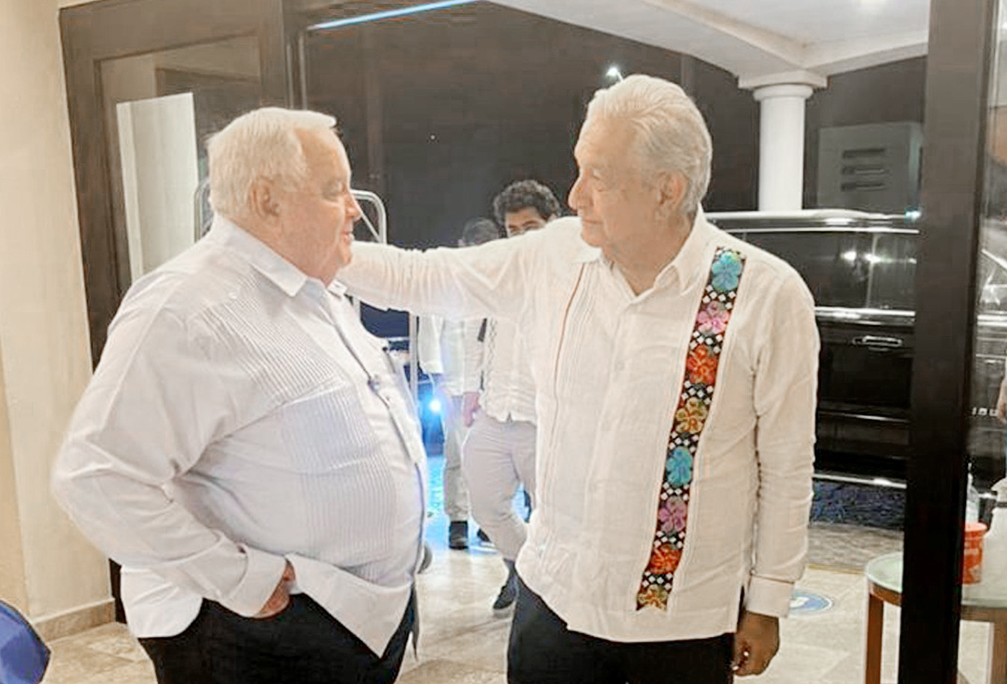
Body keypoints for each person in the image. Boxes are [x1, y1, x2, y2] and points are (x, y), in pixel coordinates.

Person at [339, 74, 818, 683]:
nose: (574, 195)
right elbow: (431, 278)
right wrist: (320, 251)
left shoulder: (764, 294)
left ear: (666, 190)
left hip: (681, 623)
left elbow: (786, 463)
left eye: (598, 176)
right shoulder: (557, 255)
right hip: (553, 604)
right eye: (578, 169)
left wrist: (769, 600)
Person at [52, 107, 426, 684]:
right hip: (261, 634)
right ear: (267, 200)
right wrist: (240, 581)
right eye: (334, 190)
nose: (354, 208)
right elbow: (94, 476)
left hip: (349, 619)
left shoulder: (314, 292)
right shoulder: (186, 309)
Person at [460, 180, 560, 615]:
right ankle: (523, 569)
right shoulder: (497, 274)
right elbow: (474, 333)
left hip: (545, 419)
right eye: (513, 229)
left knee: (552, 516)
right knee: (485, 504)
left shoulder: (570, 276)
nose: (521, 238)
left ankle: (547, 594)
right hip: (494, 411)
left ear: (552, 224)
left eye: (530, 227)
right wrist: (470, 389)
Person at [417, 217, 501, 550]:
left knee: (493, 457)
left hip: (490, 386)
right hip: (451, 385)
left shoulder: (497, 282)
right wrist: (436, 379)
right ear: (462, 246)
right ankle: (458, 520)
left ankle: (489, 521)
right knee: (456, 454)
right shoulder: (443, 283)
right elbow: (429, 334)